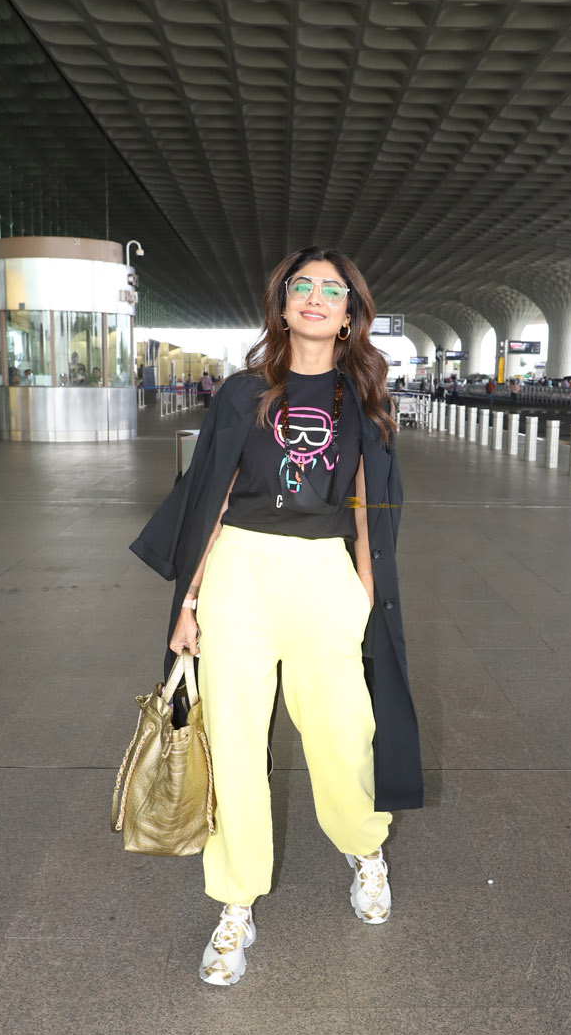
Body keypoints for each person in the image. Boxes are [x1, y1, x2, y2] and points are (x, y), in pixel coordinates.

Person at [130, 247, 423, 987]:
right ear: (283, 304)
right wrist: (189, 601)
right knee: (232, 745)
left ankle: (365, 848)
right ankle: (235, 901)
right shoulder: (243, 393)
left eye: (332, 290)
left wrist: (362, 596)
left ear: (350, 313)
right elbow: (212, 498)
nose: (315, 298)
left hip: (324, 576)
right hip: (240, 575)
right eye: (303, 287)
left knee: (343, 735)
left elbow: (368, 508)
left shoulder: (364, 400)